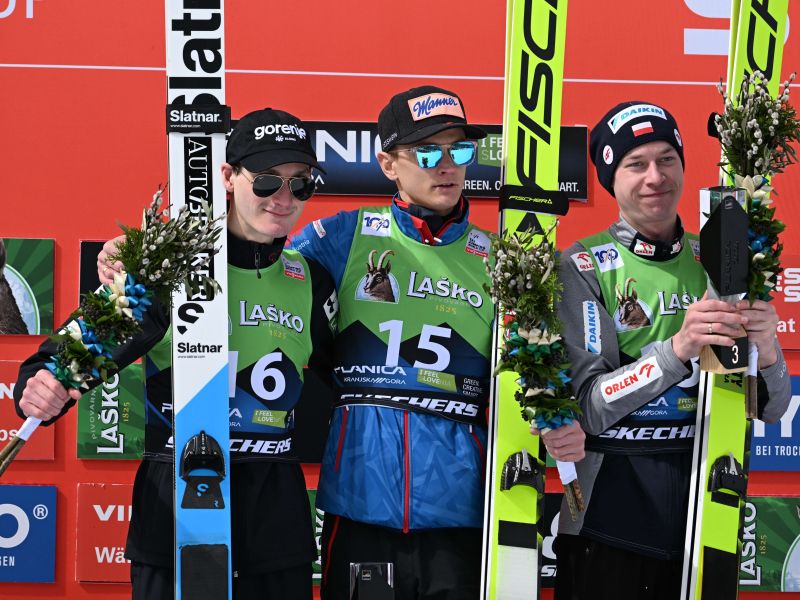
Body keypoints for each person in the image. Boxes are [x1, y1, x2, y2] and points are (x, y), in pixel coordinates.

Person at [15, 108, 337, 600]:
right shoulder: (167, 270)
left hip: (274, 518)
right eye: (267, 181)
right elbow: (68, 354)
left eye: (300, 184)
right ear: (227, 177)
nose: (283, 198)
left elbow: (361, 375)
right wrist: (41, 383)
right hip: (177, 503)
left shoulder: (311, 280)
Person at [289, 85, 585, 599]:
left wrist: (561, 422)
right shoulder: (344, 236)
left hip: (461, 514)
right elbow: (261, 275)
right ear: (388, 163)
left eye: (459, 150)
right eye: (427, 153)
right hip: (361, 505)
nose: (447, 166)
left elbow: (540, 366)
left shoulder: (501, 259)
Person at [554, 100, 792, 600]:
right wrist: (678, 348)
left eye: (667, 159)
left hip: (707, 508)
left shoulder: (721, 257)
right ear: (610, 179)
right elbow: (589, 407)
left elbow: (770, 408)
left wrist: (768, 351)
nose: (655, 177)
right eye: (635, 164)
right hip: (609, 514)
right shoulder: (583, 265)